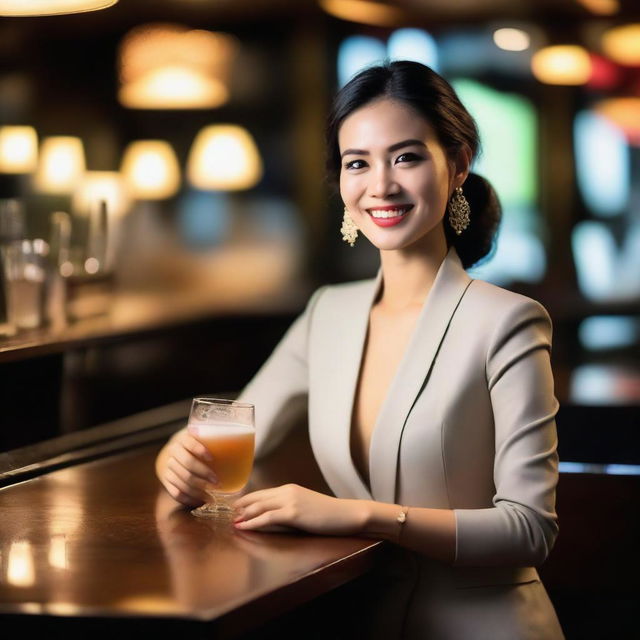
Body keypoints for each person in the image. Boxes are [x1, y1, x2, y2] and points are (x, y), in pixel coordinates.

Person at [155, 60, 564, 639]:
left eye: (407, 156)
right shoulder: (329, 313)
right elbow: (223, 435)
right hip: (364, 618)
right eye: (357, 163)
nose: (381, 185)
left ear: (458, 165)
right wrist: (176, 464)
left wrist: (360, 516)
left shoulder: (509, 321)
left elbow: (530, 531)